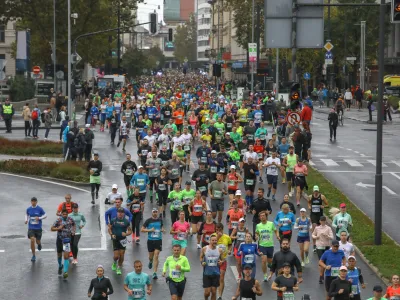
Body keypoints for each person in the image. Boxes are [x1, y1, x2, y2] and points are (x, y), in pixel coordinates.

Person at [51, 209, 76, 279]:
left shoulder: (70, 219)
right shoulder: (58, 220)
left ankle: (65, 272)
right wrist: (58, 228)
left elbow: (74, 225)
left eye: (66, 214)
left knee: (66, 256)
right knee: (59, 255)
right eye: (63, 214)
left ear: (67, 214)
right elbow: (52, 228)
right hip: (59, 239)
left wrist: (73, 231)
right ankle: (60, 265)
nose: (64, 215)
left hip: (67, 240)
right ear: (61, 214)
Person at [141, 208, 165, 279]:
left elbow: (162, 228)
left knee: (156, 255)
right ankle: (150, 261)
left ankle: (155, 272)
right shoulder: (148, 221)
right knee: (151, 257)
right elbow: (142, 229)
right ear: (152, 213)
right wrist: (150, 230)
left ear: (157, 213)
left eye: (156, 212)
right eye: (154, 212)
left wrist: (163, 230)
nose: (155, 213)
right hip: (150, 240)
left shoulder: (160, 220)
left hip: (158, 240)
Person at [255, 210, 279, 282]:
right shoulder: (258, 225)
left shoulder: (271, 224)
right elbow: (256, 233)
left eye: (263, 216)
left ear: (266, 216)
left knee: (270, 261)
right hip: (262, 245)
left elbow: (275, 231)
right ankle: (265, 275)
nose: (262, 217)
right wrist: (256, 236)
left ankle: (269, 264)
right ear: (259, 218)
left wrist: (277, 236)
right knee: (263, 260)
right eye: (261, 216)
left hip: (270, 245)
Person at [108, 207, 132, 275]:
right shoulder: (113, 220)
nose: (120, 214)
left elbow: (130, 231)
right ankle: (115, 262)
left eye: (121, 212)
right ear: (117, 213)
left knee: (121, 255)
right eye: (119, 212)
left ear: (124, 214)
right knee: (116, 256)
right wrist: (111, 234)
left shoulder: (126, 221)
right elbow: (109, 229)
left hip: (123, 240)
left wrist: (126, 234)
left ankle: (118, 268)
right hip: (115, 239)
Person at [200, 234, 223, 300]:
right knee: (207, 293)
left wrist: (221, 262)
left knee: (213, 292)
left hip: (216, 273)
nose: (214, 241)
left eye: (215, 240)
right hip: (207, 273)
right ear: (210, 241)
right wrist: (202, 262)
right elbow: (201, 257)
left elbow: (222, 259)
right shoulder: (205, 249)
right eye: (213, 240)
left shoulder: (220, 250)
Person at [312, 215, 334, 284]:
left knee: (325, 262)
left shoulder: (328, 228)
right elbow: (313, 235)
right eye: (321, 221)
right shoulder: (317, 228)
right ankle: (321, 276)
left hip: (326, 246)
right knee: (321, 261)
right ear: (320, 221)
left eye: (324, 221)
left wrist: (327, 236)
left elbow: (332, 237)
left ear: (325, 221)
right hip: (319, 246)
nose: (322, 222)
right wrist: (316, 237)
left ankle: (324, 275)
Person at [308, 185, 329, 252]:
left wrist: (323, 206)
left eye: (317, 191)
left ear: (318, 190)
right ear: (313, 191)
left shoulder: (322, 197)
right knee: (314, 227)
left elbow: (327, 204)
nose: (316, 192)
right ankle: (314, 245)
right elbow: (308, 203)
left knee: (320, 229)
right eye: (315, 191)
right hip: (313, 214)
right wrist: (309, 207)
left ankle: (320, 243)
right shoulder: (310, 196)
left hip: (320, 215)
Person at [25, 197, 47, 262]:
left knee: (37, 241)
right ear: (31, 202)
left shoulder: (40, 209)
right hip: (31, 228)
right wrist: (26, 220)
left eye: (34, 201)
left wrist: (39, 218)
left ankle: (39, 244)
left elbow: (45, 215)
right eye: (32, 201)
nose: (33, 202)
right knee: (32, 240)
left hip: (38, 228)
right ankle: (33, 255)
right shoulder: (28, 209)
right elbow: (26, 215)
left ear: (36, 202)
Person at [215, 223, 232, 300]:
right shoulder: (213, 236)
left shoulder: (227, 237)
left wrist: (229, 250)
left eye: (220, 230)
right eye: (217, 230)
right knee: (215, 278)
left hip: (223, 260)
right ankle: (214, 292)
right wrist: (217, 237)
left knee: (221, 278)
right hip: (214, 260)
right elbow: (210, 245)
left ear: (222, 229)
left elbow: (230, 245)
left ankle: (219, 295)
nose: (218, 231)